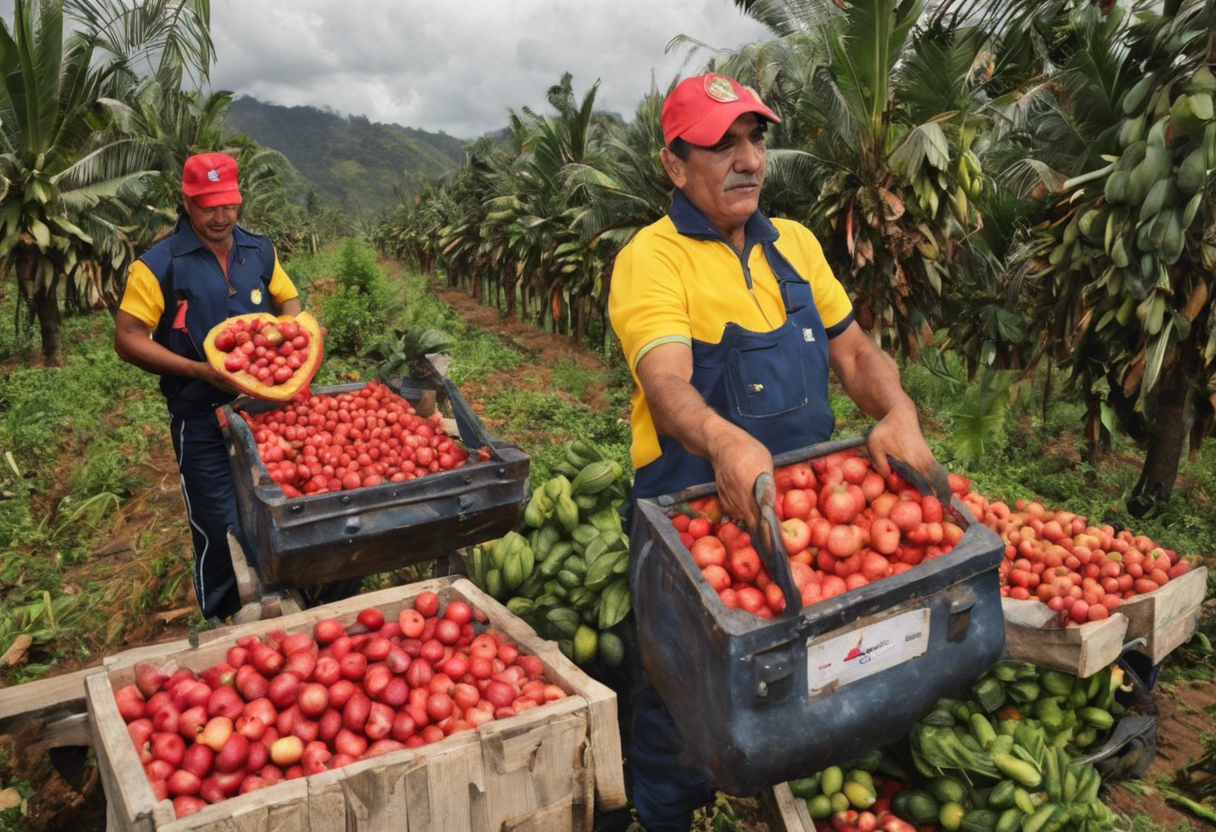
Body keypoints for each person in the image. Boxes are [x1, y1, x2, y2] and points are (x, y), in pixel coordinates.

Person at [607, 74, 939, 831]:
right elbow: (666, 384)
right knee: (683, 699)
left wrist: (897, 408)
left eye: (754, 138)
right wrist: (724, 438)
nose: (747, 158)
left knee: (807, 678)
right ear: (675, 163)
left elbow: (854, 353)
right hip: (696, 522)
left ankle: (783, 779)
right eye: (721, 143)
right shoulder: (653, 259)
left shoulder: (795, 244)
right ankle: (664, 815)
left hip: (809, 519)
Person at [114, 152, 302, 621]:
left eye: (229, 205)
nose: (221, 217)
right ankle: (224, 622)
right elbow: (128, 338)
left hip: (266, 414)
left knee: (280, 513)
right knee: (221, 528)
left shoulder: (258, 250)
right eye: (208, 206)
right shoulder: (158, 265)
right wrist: (197, 370)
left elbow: (289, 300)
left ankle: (290, 604)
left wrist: (290, 345)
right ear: (186, 201)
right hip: (201, 417)